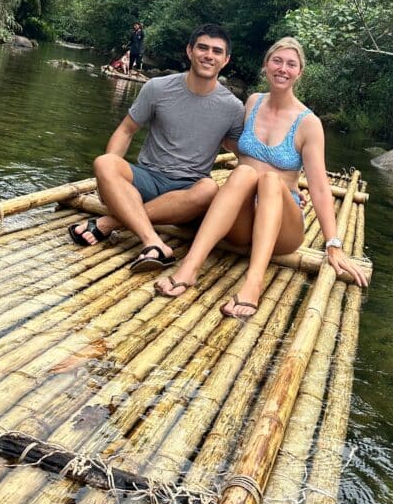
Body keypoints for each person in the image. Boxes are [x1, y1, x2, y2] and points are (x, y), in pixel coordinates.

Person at [155, 37, 368, 316]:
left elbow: (318, 187)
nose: (283, 69)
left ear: (299, 72)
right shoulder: (253, 102)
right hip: (243, 221)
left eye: (291, 64)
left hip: (283, 227)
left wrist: (334, 244)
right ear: (266, 66)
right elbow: (228, 140)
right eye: (277, 61)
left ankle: (253, 283)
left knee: (270, 181)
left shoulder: (308, 123)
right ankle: (189, 269)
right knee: (243, 171)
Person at [69, 24, 244, 270]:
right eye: (202, 48)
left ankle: (109, 223)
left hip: (189, 192)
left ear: (225, 60)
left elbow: (245, 158)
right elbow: (126, 130)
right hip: (147, 179)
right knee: (104, 162)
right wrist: (106, 183)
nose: (208, 55)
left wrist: (284, 185)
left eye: (217, 51)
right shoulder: (157, 88)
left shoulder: (234, 108)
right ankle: (153, 241)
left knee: (209, 188)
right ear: (189, 51)